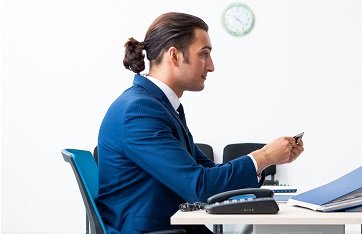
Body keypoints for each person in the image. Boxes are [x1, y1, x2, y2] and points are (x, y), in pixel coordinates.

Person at [96, 12, 304, 233]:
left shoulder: (159, 106)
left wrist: (263, 159)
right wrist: (265, 157)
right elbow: (200, 187)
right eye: (204, 54)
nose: (211, 66)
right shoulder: (139, 112)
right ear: (174, 55)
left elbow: (208, 172)